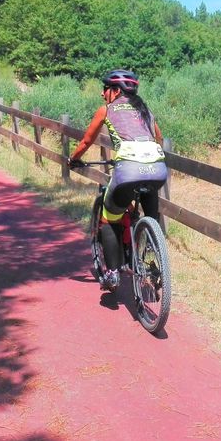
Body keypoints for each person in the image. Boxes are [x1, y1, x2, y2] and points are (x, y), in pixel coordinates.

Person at [67, 69, 167, 290]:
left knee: (108, 219)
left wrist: (73, 159)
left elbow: (86, 142)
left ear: (115, 91)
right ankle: (152, 247)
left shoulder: (107, 110)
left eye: (105, 89)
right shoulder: (145, 110)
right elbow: (158, 138)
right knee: (150, 212)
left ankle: (112, 272)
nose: (103, 94)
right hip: (157, 169)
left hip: (128, 170)